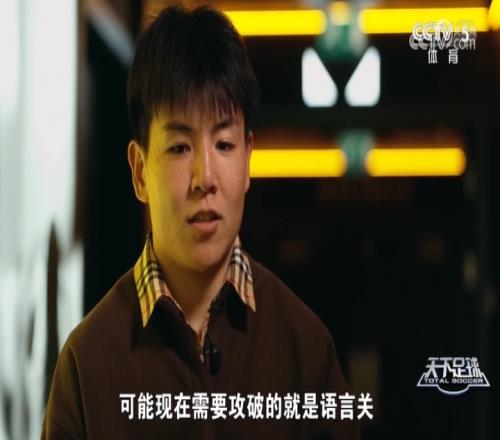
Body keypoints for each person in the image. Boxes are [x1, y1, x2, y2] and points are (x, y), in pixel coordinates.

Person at [42, 4, 360, 439]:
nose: (204, 178)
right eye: (179, 147)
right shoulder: (88, 362)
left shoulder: (304, 348)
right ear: (139, 171)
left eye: (224, 144)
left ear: (247, 160)